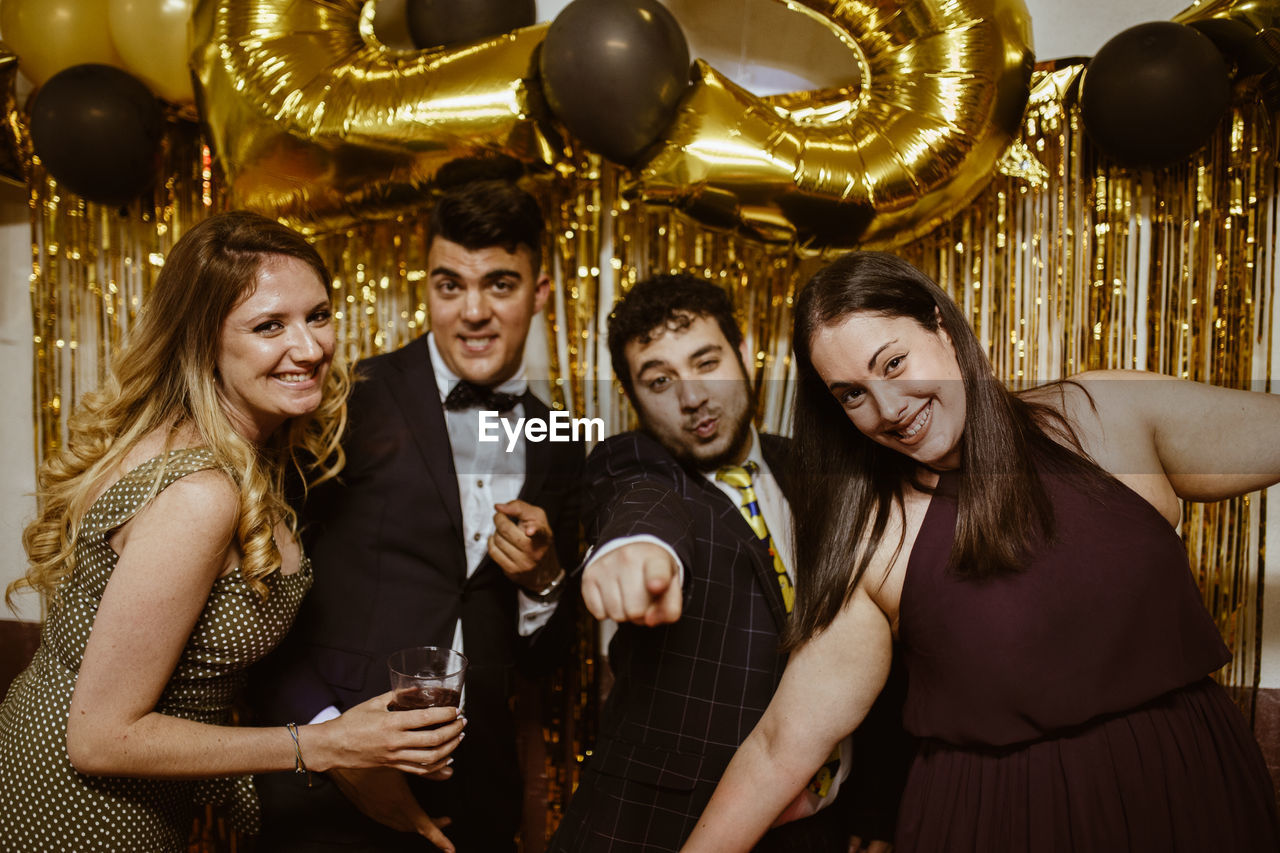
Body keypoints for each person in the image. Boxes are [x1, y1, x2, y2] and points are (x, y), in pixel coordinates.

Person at [683, 251, 1280, 852]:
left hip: (1190, 791)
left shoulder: (1106, 416)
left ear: (941, 324)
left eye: (893, 362)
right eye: (853, 395)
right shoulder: (877, 541)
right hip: (1000, 823)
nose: (890, 410)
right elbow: (781, 743)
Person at [0, 211, 465, 853]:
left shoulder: (232, 449)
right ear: (203, 341)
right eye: (269, 325)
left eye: (318, 315)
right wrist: (327, 746)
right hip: (85, 811)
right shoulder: (201, 495)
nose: (309, 348)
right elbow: (100, 738)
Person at [251, 178, 584, 853]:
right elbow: (257, 590)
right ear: (424, 287)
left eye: (500, 283)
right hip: (332, 787)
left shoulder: (562, 439)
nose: (473, 312)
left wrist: (546, 581)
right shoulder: (343, 399)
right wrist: (331, 743)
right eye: (449, 284)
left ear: (540, 292)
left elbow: (546, 657)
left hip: (478, 793)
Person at [549, 273, 909, 853]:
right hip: (659, 832)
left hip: (819, 828)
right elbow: (639, 504)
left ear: (743, 353)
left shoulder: (814, 474)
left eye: (705, 360)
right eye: (659, 380)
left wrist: (874, 809)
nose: (691, 397)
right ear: (633, 400)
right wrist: (634, 551)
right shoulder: (635, 464)